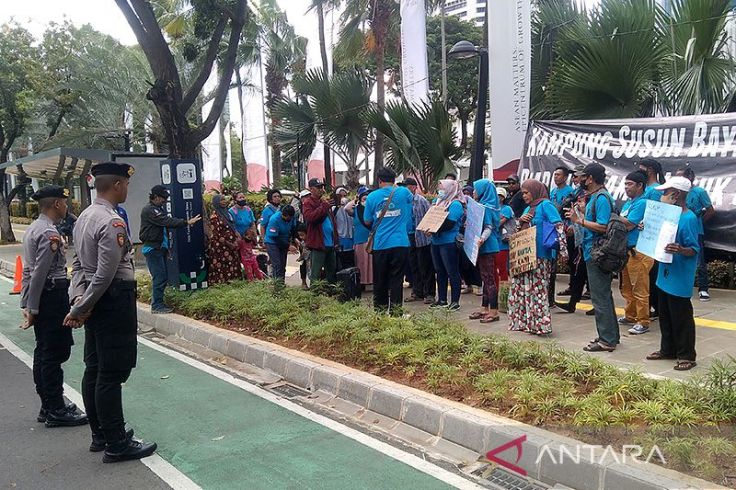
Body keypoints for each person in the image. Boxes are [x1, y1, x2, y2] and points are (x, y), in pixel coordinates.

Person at [64, 162, 157, 462]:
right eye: (126, 184)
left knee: (95, 367)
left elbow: (78, 266)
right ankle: (116, 442)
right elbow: (105, 274)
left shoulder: (84, 218)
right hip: (113, 299)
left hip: (95, 300)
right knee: (111, 373)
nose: (127, 189)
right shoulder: (112, 221)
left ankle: (100, 434)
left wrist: (79, 299)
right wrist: (82, 306)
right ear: (117, 185)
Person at [20, 185, 87, 428]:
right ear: (57, 204)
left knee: (44, 351)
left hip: (43, 295)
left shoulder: (35, 228)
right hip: (51, 295)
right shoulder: (49, 234)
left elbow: (30, 274)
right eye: (64, 203)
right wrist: (34, 308)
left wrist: (28, 303)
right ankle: (55, 409)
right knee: (53, 354)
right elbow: (39, 273)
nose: (67, 207)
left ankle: (48, 405)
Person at [645, 176, 700, 371]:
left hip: (679, 275)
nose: (662, 195)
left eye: (665, 192)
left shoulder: (689, 218)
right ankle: (667, 349)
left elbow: (694, 249)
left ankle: (687, 355)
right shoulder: (668, 216)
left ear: (675, 195)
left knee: (681, 316)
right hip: (664, 273)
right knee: (666, 315)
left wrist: (681, 249)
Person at [567, 163, 618, 352]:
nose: (579, 180)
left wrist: (579, 220)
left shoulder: (602, 198)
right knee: (604, 295)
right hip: (592, 251)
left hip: (597, 253)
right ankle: (611, 335)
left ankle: (606, 340)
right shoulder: (595, 197)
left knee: (600, 297)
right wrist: (582, 211)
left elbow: (603, 226)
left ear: (590, 178)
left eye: (582, 177)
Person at [508, 180, 567, 335]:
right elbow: (518, 231)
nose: (524, 195)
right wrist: (521, 222)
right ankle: (527, 323)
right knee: (524, 290)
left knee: (538, 290)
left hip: (541, 255)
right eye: (523, 193)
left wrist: (563, 251)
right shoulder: (529, 208)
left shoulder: (545, 205)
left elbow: (558, 226)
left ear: (535, 191)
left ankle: (541, 325)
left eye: (527, 192)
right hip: (525, 256)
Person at [139, 185, 201, 314]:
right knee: (159, 277)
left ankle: (159, 303)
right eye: (163, 198)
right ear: (155, 197)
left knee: (162, 277)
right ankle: (157, 305)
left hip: (160, 248)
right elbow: (166, 221)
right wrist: (186, 222)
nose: (165, 201)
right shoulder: (150, 210)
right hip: (153, 249)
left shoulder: (157, 209)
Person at [363, 168, 414, 313]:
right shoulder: (403, 192)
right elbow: (412, 199)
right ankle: (396, 313)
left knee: (380, 280)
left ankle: (380, 313)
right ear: (394, 179)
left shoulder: (372, 197)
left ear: (379, 180)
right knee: (397, 281)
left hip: (380, 245)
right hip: (401, 243)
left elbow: (367, 221)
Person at [617, 171, 653, 335]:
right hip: (627, 250)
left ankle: (643, 321)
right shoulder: (629, 203)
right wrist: (619, 219)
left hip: (639, 251)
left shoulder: (642, 202)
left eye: (630, 184)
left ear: (640, 186)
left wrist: (614, 217)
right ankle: (630, 315)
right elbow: (623, 222)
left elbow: (629, 224)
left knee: (639, 287)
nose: (626, 187)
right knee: (626, 287)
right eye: (625, 184)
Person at [556, 164, 591, 313]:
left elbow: (599, 221)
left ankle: (600, 306)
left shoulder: (597, 195)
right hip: (581, 239)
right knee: (579, 272)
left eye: (578, 176)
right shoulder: (578, 192)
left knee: (594, 276)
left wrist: (577, 222)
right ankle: (572, 303)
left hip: (592, 240)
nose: (575, 179)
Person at [677, 167, 715, 302]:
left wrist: (697, 222)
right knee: (679, 257)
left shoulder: (699, 192)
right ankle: (682, 285)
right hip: (678, 230)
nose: (679, 180)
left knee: (699, 260)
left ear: (690, 178)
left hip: (696, 231)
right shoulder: (676, 193)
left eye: (681, 177)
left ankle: (703, 288)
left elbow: (710, 211)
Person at [428, 179, 465, 311]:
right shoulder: (438, 203)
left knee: (452, 271)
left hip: (449, 242)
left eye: (442, 188)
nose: (440, 191)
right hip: (436, 241)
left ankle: (455, 301)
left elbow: (449, 223)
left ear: (450, 189)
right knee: (440, 271)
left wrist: (432, 228)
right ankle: (442, 299)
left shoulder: (455, 204)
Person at [470, 179, 501, 323]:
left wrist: (481, 239)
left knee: (489, 279)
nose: (474, 192)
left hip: (487, 246)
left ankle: (493, 311)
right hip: (484, 246)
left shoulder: (486, 207)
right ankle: (484, 309)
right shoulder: (486, 206)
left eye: (476, 189)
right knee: (485, 278)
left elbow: (488, 227)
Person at [402, 178, 435, 304]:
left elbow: (430, 216)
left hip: (422, 237)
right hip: (408, 237)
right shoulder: (403, 202)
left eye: (407, 186)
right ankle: (417, 291)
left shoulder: (421, 201)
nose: (405, 189)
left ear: (413, 187)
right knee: (413, 266)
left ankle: (430, 293)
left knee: (426, 266)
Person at [640, 158, 665, 319]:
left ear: (649, 170)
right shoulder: (647, 189)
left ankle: (653, 305)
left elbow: (655, 215)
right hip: (644, 237)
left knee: (650, 273)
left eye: (641, 168)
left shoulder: (655, 190)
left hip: (651, 237)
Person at [302, 178, 338, 284]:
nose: (321, 189)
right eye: (318, 187)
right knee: (316, 273)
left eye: (321, 187)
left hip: (330, 243)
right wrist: (324, 207)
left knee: (331, 272)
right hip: (318, 244)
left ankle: (331, 294)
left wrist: (336, 239)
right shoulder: (308, 202)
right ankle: (315, 295)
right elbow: (310, 217)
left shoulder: (323, 201)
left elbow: (332, 221)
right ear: (311, 189)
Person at [206, 194, 243, 285]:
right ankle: (221, 287)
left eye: (224, 199)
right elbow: (216, 234)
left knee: (233, 265)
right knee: (222, 267)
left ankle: (234, 285)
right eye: (221, 200)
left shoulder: (228, 213)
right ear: (216, 203)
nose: (224, 202)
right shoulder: (214, 217)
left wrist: (236, 237)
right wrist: (228, 243)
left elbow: (232, 226)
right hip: (220, 248)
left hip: (232, 246)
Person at [264, 205, 297, 285]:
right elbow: (275, 237)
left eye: (289, 218)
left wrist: (295, 240)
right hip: (272, 242)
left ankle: (281, 284)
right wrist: (289, 246)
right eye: (285, 217)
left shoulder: (292, 218)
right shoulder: (274, 219)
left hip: (284, 240)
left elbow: (293, 229)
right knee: (277, 265)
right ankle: (276, 285)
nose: (287, 219)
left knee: (283, 265)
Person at [347, 187, 373, 287]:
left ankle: (372, 282)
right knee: (361, 263)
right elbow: (347, 208)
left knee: (371, 264)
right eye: (364, 199)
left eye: (367, 199)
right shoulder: (356, 211)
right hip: (359, 241)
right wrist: (355, 199)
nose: (365, 201)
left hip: (370, 241)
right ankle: (361, 282)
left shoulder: (371, 210)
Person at [494, 188, 513, 290]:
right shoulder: (493, 208)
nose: (498, 197)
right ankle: (497, 289)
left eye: (500, 195)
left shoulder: (506, 209)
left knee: (502, 268)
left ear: (503, 197)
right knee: (494, 268)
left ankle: (504, 291)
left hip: (502, 242)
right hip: (494, 242)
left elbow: (498, 223)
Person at [334, 191, 355, 270]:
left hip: (351, 237)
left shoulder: (351, 209)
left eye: (345, 195)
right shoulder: (334, 209)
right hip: (341, 237)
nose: (343, 198)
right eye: (340, 196)